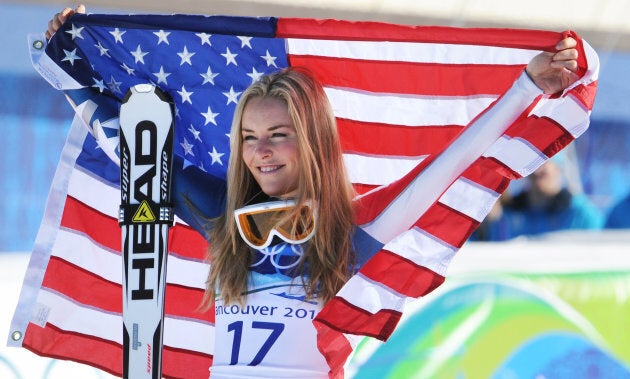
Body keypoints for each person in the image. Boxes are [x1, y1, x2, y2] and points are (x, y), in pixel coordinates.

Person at [47, 5, 591, 378]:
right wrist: (66, 57)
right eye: (251, 138)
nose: (262, 152)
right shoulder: (222, 216)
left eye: (279, 136)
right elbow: (134, 142)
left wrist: (525, 86)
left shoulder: (348, 229)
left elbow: (447, 166)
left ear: (311, 142)